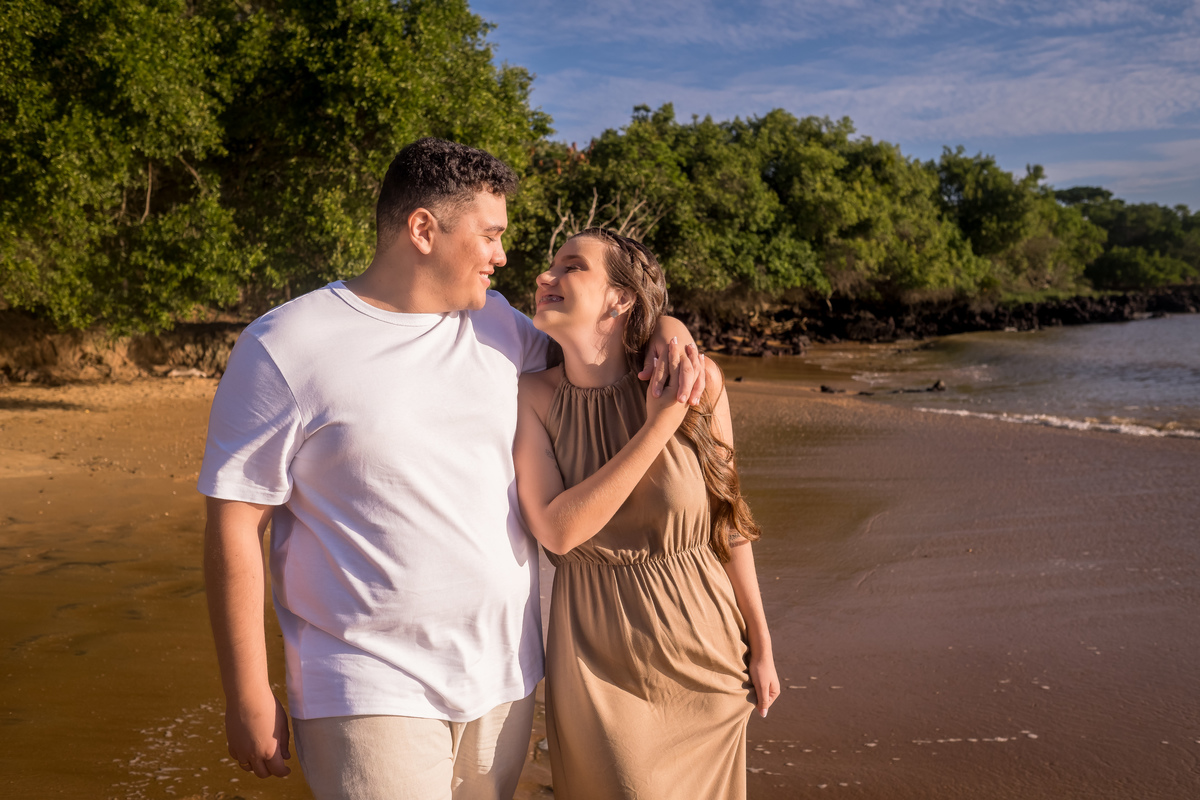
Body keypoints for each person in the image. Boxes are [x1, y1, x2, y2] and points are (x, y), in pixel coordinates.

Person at [198, 138, 705, 800]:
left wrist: (666, 323)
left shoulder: (502, 327)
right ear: (423, 230)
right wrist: (246, 692)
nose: (502, 256)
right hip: (365, 681)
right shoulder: (286, 345)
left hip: (506, 680)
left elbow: (603, 343)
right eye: (490, 235)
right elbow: (235, 525)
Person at [513, 229, 780, 800]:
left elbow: (728, 521)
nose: (545, 277)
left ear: (621, 297)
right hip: (597, 658)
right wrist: (659, 423)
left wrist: (760, 640)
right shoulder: (532, 397)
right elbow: (560, 532)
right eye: (549, 266)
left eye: (571, 267)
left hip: (704, 652)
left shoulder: (696, 382)